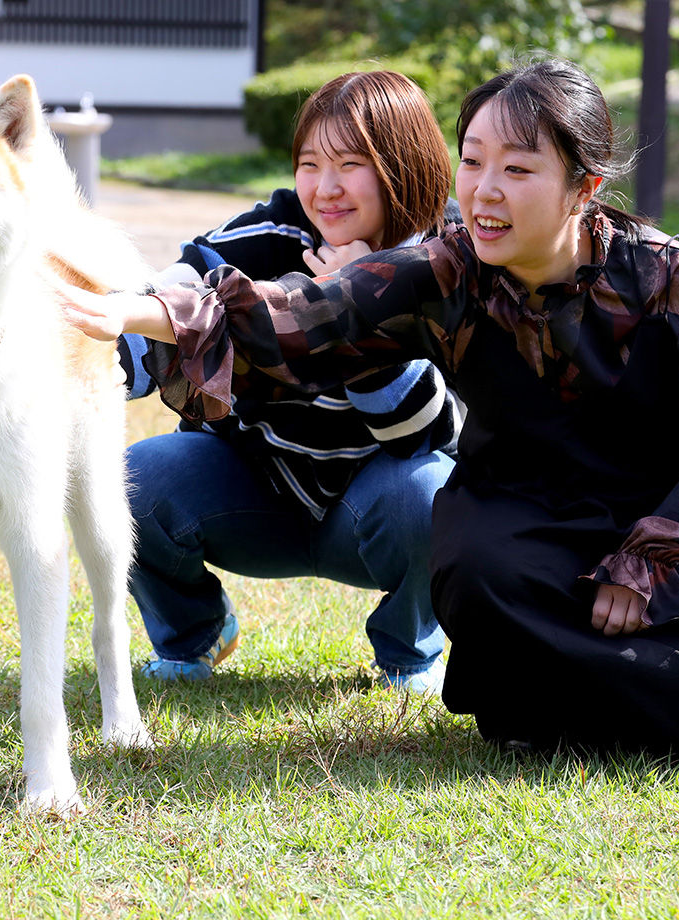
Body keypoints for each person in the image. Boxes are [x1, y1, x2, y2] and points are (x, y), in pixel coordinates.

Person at [69, 57, 679, 761]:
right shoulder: (448, 272)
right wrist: (133, 312)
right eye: (473, 161)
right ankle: (572, 700)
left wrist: (652, 560)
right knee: (478, 564)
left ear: (584, 187)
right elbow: (305, 317)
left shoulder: (668, 281)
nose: (484, 190)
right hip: (543, 504)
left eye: (518, 170)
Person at [119, 71, 463, 692]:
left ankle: (409, 653)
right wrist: (99, 349)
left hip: (378, 503)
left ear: (402, 167)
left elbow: (426, 433)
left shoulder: (449, 258)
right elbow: (172, 296)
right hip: (259, 487)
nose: (324, 189)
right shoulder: (276, 231)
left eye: (350, 165)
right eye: (309, 162)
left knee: (434, 491)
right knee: (134, 480)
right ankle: (193, 635)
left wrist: (362, 305)